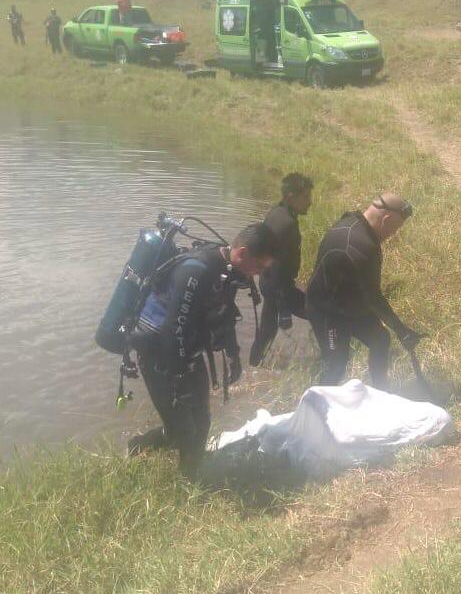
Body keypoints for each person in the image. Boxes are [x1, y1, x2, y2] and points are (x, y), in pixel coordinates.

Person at [127, 224, 278, 477]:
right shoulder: (195, 271)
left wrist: (233, 356)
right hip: (159, 354)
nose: (260, 273)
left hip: (188, 352)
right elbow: (174, 329)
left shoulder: (229, 271)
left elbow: (225, 315)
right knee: (182, 431)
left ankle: (192, 473)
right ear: (242, 253)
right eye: (260, 267)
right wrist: (179, 378)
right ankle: (175, 474)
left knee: (201, 421)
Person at [306, 193, 423, 390]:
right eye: (394, 229)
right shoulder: (360, 246)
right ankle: (314, 410)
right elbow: (374, 298)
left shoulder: (354, 221)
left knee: (380, 340)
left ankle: (380, 393)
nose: (392, 234)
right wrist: (402, 331)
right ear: (385, 220)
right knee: (336, 365)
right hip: (327, 312)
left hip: (349, 302)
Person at [250, 173, 314, 366]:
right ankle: (329, 360)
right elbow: (276, 265)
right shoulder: (286, 223)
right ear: (291, 196)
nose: (310, 202)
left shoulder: (277, 212)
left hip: (269, 282)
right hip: (278, 286)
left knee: (267, 329)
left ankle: (254, 364)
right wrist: (284, 306)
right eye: (305, 197)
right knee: (318, 313)